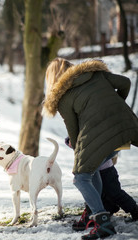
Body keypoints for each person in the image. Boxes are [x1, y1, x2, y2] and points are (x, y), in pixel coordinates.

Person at [42, 57, 138, 240]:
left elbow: (75, 133)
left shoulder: (63, 97)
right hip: (125, 128)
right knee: (93, 172)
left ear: (52, 79)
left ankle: (103, 222)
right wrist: (116, 103)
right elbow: (125, 82)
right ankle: (103, 211)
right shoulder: (95, 74)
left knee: (81, 178)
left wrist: (76, 148)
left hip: (100, 136)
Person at [65, 138, 138, 231]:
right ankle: (95, 215)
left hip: (106, 169)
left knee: (115, 192)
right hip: (92, 168)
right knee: (95, 193)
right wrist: (71, 139)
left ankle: (134, 209)